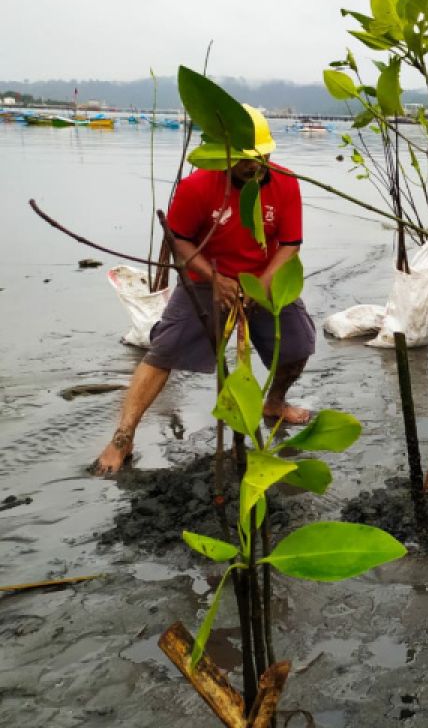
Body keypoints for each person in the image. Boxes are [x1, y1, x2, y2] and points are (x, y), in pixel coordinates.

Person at [93, 106, 316, 476]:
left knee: (297, 347)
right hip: (206, 281)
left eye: (263, 155)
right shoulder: (197, 186)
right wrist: (215, 279)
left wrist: (261, 285)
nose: (258, 164)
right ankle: (122, 437)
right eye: (247, 159)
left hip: (264, 279)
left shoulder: (285, 181)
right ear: (226, 156)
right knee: (162, 354)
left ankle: (274, 402)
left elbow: (290, 243)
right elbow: (179, 240)